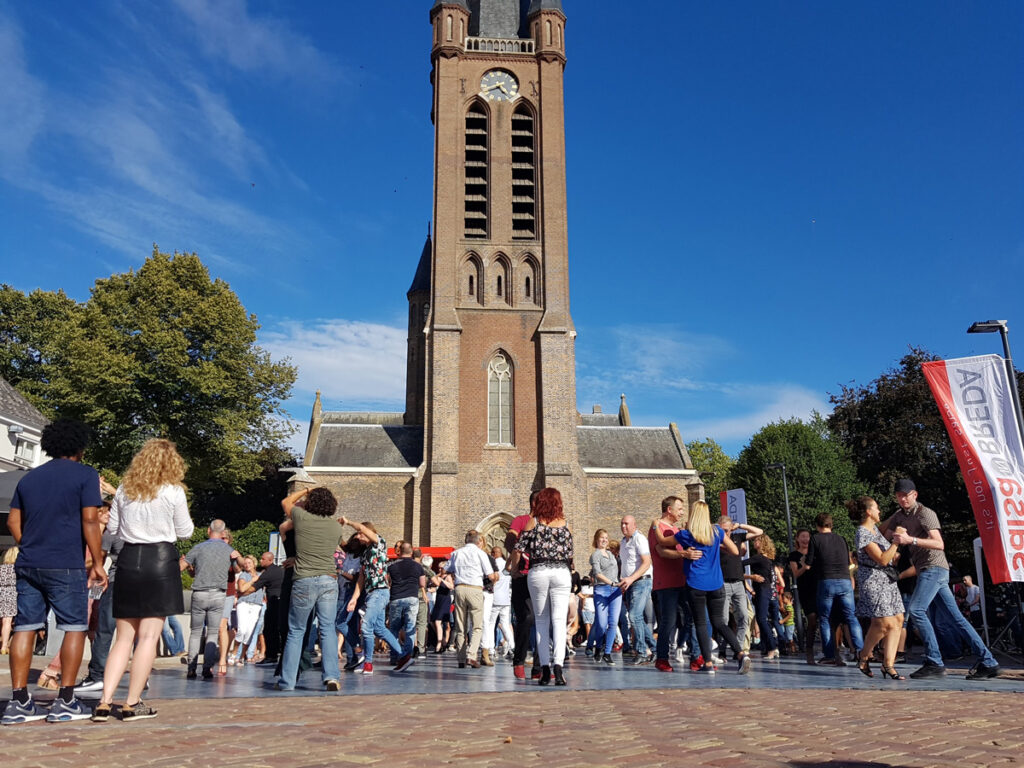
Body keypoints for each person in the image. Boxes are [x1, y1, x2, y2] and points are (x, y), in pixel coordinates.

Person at [3, 419, 106, 726]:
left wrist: (31, 545)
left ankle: (19, 701)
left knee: (25, 626)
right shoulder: (86, 475)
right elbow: (90, 520)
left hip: (29, 562)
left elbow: (12, 522)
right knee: (74, 626)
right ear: (80, 445)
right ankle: (66, 700)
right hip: (66, 562)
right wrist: (98, 561)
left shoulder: (29, 479)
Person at [92, 438, 195, 723]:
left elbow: (112, 528)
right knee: (148, 637)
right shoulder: (173, 491)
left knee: (123, 638)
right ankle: (132, 702)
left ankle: (104, 701)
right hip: (160, 559)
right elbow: (185, 531)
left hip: (129, 559)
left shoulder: (125, 489)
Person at [880, 478, 1000, 680]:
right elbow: (882, 533)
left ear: (915, 495)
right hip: (928, 571)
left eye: (906, 495)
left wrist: (911, 540)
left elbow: (939, 544)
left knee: (916, 611)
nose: (902, 499)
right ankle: (989, 662)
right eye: (899, 496)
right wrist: (894, 517)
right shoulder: (900, 516)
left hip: (934, 568)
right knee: (957, 619)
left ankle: (934, 661)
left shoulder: (925, 513)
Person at [654, 500, 751, 674]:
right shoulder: (717, 531)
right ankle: (741, 654)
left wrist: (655, 526)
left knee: (699, 623)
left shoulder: (686, 534)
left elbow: (662, 540)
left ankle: (707, 663)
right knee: (719, 623)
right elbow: (736, 552)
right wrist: (717, 547)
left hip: (696, 583)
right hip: (716, 584)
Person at [277, 487, 347, 690]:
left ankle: (287, 681)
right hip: (329, 580)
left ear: (310, 503)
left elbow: (286, 502)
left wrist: (306, 489)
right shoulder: (335, 528)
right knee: (327, 630)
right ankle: (332, 676)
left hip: (304, 579)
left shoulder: (301, 517)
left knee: (296, 631)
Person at [510, 487, 574, 686]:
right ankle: (559, 668)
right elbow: (570, 554)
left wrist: (514, 569)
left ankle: (544, 669)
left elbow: (518, 548)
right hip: (561, 572)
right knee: (559, 620)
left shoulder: (534, 522)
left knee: (541, 620)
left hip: (538, 571)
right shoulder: (565, 525)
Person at [342, 516, 412, 676]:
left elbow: (365, 530)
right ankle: (404, 656)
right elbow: (361, 578)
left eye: (360, 534)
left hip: (380, 592)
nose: (358, 537)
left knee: (366, 626)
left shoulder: (379, 543)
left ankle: (368, 663)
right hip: (371, 593)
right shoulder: (365, 553)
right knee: (379, 629)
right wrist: (354, 598)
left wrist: (349, 523)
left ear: (367, 532)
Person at [847, 496, 906, 680]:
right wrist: (896, 542)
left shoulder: (875, 531)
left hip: (886, 579)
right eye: (877, 508)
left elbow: (889, 556)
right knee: (882, 623)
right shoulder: (862, 532)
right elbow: (882, 558)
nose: (879, 511)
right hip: (873, 580)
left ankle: (888, 665)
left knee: (897, 619)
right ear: (868, 512)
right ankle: (864, 656)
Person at [181, 520, 238, 680]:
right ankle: (207, 668)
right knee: (213, 633)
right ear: (223, 532)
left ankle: (191, 668)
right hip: (219, 594)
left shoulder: (198, 548)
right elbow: (238, 567)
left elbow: (182, 566)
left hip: (199, 593)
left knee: (196, 632)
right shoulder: (228, 549)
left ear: (208, 531)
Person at [648, 497, 700, 673]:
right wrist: (683, 554)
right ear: (669, 510)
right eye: (679, 508)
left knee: (692, 617)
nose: (682, 511)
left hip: (683, 579)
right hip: (666, 582)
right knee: (668, 621)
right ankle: (662, 657)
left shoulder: (677, 529)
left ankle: (696, 656)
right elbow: (661, 551)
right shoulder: (657, 527)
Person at [806, 513, 864, 666]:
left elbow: (808, 564)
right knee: (851, 617)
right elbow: (846, 561)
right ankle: (862, 652)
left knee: (824, 618)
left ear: (817, 525)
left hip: (827, 580)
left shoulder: (815, 538)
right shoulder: (841, 539)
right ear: (831, 525)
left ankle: (830, 655)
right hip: (845, 580)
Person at [448, 530, 499, 669]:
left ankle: (461, 658)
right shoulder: (481, 553)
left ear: (465, 541)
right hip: (475, 589)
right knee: (477, 626)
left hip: (459, 588)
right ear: (478, 542)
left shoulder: (456, 553)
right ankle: (471, 655)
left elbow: (448, 568)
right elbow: (490, 574)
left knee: (460, 625)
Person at [718, 515, 763, 658]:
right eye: (723, 530)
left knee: (744, 616)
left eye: (727, 530)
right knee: (723, 620)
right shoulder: (715, 540)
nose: (726, 533)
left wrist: (740, 525)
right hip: (723, 583)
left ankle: (738, 648)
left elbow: (759, 532)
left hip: (738, 583)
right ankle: (722, 650)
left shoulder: (737, 537)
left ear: (731, 528)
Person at [505, 492, 538, 680]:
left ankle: (540, 667)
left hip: (541, 576)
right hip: (522, 577)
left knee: (543, 620)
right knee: (525, 619)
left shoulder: (551, 522)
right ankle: (519, 661)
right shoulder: (521, 520)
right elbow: (510, 540)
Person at [236, 552, 284, 665]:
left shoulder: (267, 573)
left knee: (268, 629)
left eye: (263, 559)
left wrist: (242, 594)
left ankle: (271, 655)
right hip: (280, 601)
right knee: (275, 629)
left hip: (273, 602)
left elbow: (253, 588)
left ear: (269, 560)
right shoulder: (279, 571)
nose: (261, 561)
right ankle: (275, 654)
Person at [618, 515, 654, 664]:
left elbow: (646, 562)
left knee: (634, 616)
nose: (623, 526)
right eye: (622, 524)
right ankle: (656, 648)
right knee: (637, 618)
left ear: (634, 524)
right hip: (630, 583)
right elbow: (626, 564)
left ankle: (641, 651)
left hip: (641, 581)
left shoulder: (639, 539)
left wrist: (631, 578)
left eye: (626, 524)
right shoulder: (623, 542)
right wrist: (623, 582)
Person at [387, 542, 426, 664]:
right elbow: (422, 584)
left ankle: (394, 657)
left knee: (394, 629)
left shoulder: (392, 566)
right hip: (412, 598)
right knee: (410, 628)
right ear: (411, 552)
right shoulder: (418, 566)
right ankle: (406, 657)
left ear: (400, 551)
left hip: (396, 598)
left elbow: (387, 581)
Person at [745, 534, 782, 659]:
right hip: (767, 591)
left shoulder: (759, 558)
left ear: (762, 543)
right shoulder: (769, 560)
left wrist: (750, 577)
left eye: (756, 540)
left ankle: (772, 647)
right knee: (763, 620)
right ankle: (768, 647)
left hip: (762, 590)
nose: (754, 542)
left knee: (761, 619)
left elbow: (740, 564)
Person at [588, 529, 621, 665]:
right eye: (602, 538)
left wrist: (619, 581)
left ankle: (607, 653)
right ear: (596, 539)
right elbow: (597, 573)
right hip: (602, 590)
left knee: (613, 622)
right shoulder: (595, 555)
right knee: (601, 624)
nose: (604, 540)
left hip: (615, 591)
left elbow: (615, 571)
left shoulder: (611, 555)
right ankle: (598, 647)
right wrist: (611, 582)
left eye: (606, 538)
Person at [789, 528, 819, 664]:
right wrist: (804, 566)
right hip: (805, 590)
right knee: (812, 620)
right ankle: (809, 649)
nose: (805, 539)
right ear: (797, 539)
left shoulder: (815, 553)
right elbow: (796, 574)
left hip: (819, 588)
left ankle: (832, 651)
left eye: (807, 537)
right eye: (803, 537)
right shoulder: (794, 555)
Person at [485, 546, 514, 660]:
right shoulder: (507, 565)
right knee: (505, 624)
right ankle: (512, 646)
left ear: (493, 553)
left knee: (491, 624)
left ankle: (491, 649)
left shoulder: (492, 564)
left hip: (495, 598)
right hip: (506, 598)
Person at [431, 560, 454, 654]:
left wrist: (443, 581)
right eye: (439, 568)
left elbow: (451, 586)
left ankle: (439, 645)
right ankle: (443, 641)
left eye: (442, 568)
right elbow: (434, 584)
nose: (440, 569)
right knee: (433, 620)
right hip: (439, 599)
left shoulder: (448, 576)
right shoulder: (439, 575)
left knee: (438, 621)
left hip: (445, 599)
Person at [0, 546, 18, 656]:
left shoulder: (1, 568)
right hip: (11, 595)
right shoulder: (18, 570)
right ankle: (4, 646)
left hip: (1, 592)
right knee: (7, 621)